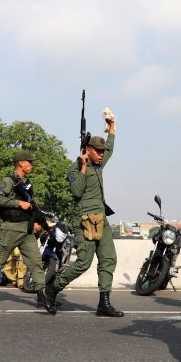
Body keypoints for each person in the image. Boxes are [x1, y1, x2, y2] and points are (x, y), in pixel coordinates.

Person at [42, 113, 122, 317]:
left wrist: (112, 127)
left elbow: (110, 149)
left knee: (109, 259)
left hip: (101, 220)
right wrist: (83, 165)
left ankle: (104, 303)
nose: (102, 154)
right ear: (88, 151)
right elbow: (77, 191)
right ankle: (52, 289)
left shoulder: (98, 165)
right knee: (83, 263)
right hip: (84, 221)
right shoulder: (75, 169)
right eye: (98, 151)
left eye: (102, 152)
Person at [0, 150, 47, 308]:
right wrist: (18, 204)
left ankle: (41, 297)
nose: (31, 165)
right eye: (29, 162)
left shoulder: (26, 183)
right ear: (21, 163)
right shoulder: (9, 180)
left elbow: (28, 204)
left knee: (36, 262)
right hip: (11, 229)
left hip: (26, 229)